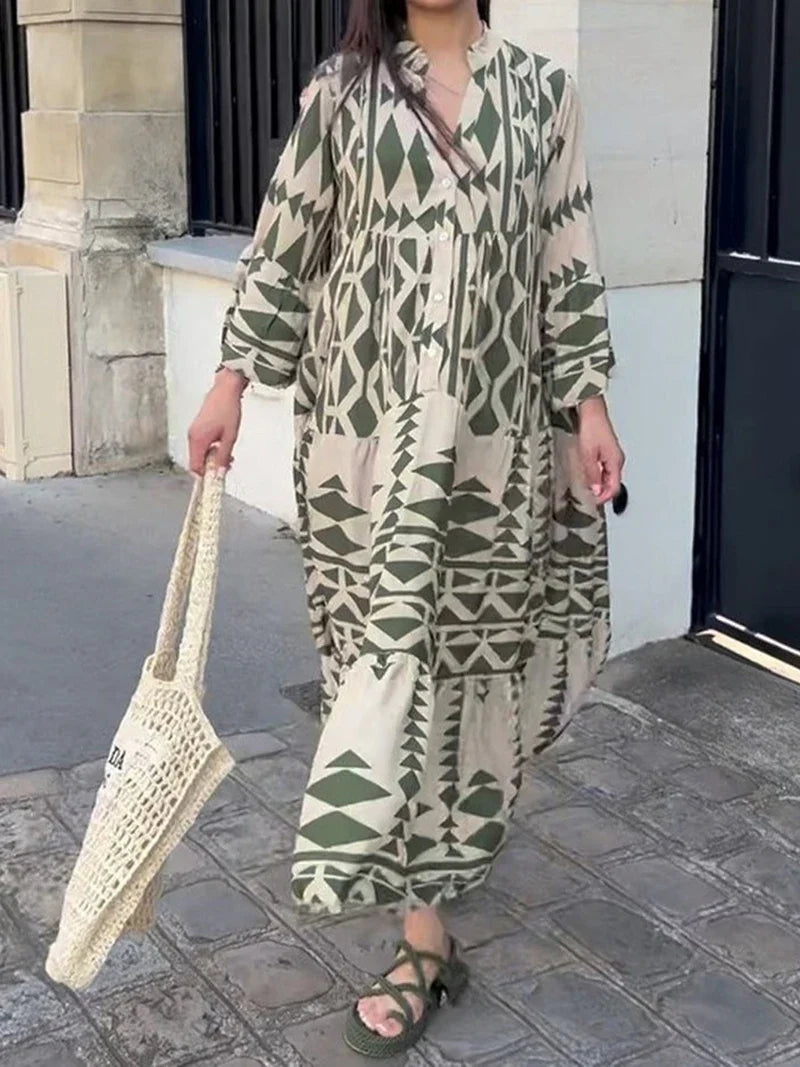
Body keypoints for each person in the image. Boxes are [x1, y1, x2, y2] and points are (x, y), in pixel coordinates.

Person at [188, 0, 625, 1057]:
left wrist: (589, 405)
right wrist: (229, 383)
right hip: (366, 444)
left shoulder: (541, 94)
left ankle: (434, 887)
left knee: (473, 668)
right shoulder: (341, 94)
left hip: (492, 446)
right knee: (377, 665)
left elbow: (564, 257)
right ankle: (411, 917)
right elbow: (283, 247)